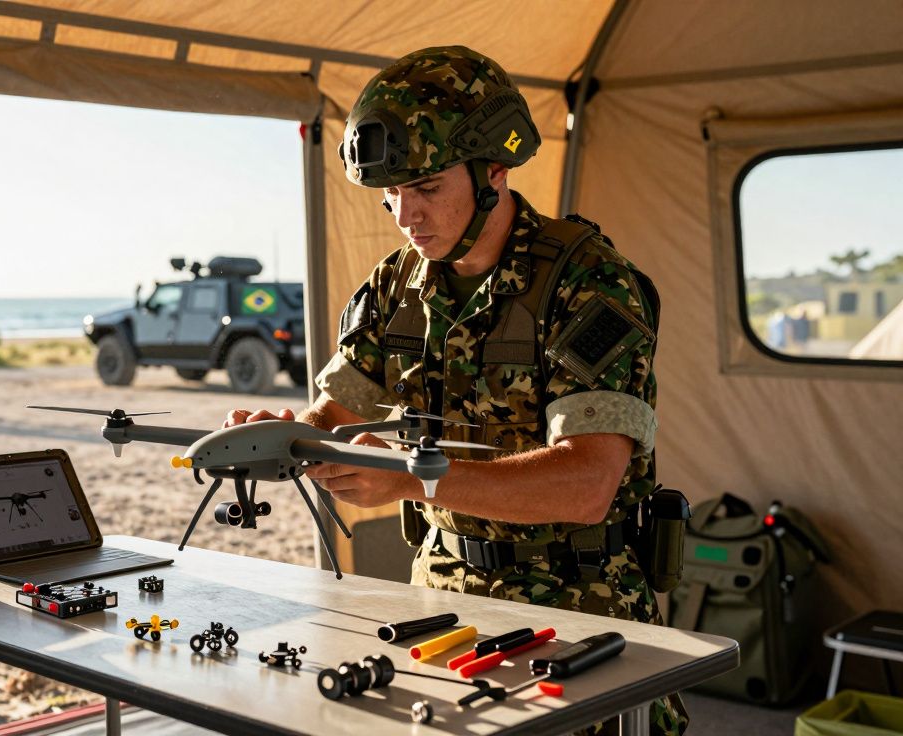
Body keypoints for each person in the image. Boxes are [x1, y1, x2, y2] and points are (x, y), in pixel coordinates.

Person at [226, 47, 685, 734]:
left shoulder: (588, 281)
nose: (405, 215)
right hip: (441, 608)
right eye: (390, 194)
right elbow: (335, 414)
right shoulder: (396, 284)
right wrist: (284, 440)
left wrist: (412, 482)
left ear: (494, 170)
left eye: (427, 187)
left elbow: (588, 483)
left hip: (580, 614)